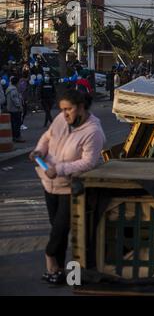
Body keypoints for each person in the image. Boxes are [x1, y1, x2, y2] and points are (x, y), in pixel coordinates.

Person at [29, 89, 106, 284]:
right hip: (49, 184)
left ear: (81, 107)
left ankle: (50, 257)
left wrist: (60, 169)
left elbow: (89, 162)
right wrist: (38, 151)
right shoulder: (61, 120)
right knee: (57, 228)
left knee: (60, 230)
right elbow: (48, 136)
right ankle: (58, 271)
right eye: (62, 109)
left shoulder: (93, 131)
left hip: (70, 188)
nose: (65, 114)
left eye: (69, 109)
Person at [6, 76, 25, 143]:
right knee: (17, 123)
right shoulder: (13, 90)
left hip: (11, 109)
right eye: (19, 82)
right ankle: (17, 136)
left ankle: (14, 136)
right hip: (15, 109)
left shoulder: (9, 89)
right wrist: (19, 106)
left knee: (13, 123)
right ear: (16, 83)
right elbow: (15, 99)